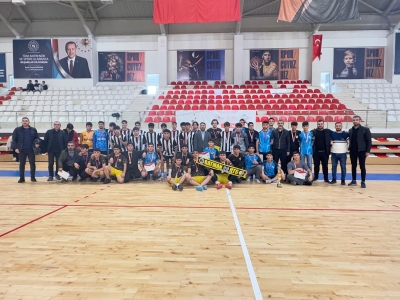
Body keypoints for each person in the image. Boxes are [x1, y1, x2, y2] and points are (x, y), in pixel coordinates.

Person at [12, 117, 39, 183]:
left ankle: (33, 177)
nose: (25, 122)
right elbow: (14, 139)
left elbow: (37, 138)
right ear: (21, 122)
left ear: (29, 122)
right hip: (21, 150)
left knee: (32, 164)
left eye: (26, 121)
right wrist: (15, 148)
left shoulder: (33, 129)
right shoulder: (17, 130)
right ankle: (22, 178)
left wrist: (37, 143)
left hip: (31, 150)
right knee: (22, 164)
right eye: (23, 121)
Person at [348, 115, 371, 188]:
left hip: (362, 150)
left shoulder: (365, 129)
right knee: (353, 166)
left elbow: (369, 141)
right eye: (354, 120)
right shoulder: (350, 130)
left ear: (360, 121)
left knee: (362, 166)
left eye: (357, 120)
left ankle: (363, 181)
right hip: (352, 151)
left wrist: (367, 151)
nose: (355, 121)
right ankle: (354, 180)